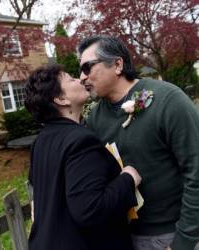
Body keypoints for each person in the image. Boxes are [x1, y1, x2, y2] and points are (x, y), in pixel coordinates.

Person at [78, 35, 199, 250]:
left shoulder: (168, 100)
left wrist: (184, 241)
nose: (81, 77)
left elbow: (196, 170)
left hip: (174, 235)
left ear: (117, 65)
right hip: (123, 238)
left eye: (87, 67)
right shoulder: (94, 119)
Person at [25, 64, 142, 250]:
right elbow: (90, 209)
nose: (80, 79)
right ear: (61, 99)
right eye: (70, 79)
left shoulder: (41, 141)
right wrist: (129, 178)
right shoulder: (80, 141)